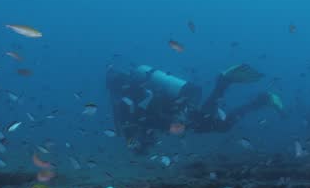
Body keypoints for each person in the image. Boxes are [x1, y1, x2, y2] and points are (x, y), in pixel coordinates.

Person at [106, 63, 283, 152]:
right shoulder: (136, 89)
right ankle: (261, 99)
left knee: (221, 125)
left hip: (175, 115)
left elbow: (138, 127)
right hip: (181, 101)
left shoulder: (123, 104)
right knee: (214, 120)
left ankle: (224, 82)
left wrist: (144, 142)